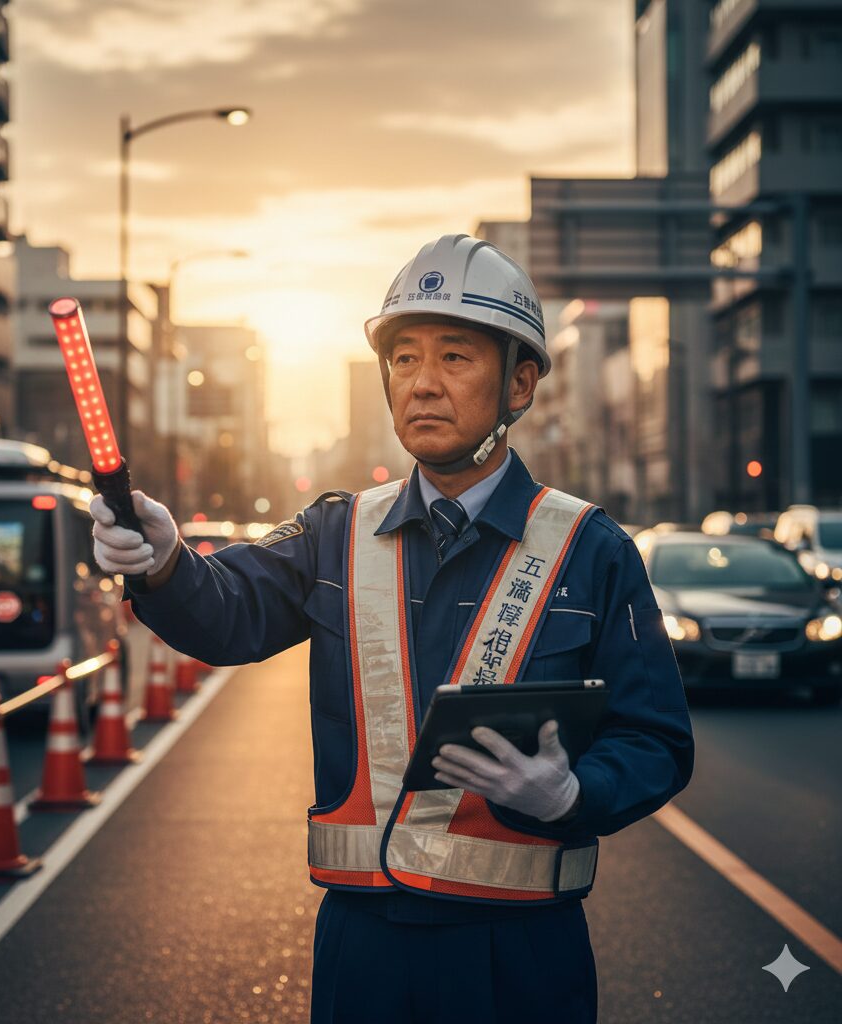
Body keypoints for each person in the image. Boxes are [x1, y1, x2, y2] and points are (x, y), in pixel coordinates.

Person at [90, 234, 695, 1024]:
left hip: (521, 956)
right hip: (364, 952)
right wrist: (166, 562)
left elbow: (655, 738)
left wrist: (575, 794)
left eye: (454, 357)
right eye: (403, 359)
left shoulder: (593, 550)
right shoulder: (336, 533)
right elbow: (229, 613)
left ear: (520, 384)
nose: (422, 383)